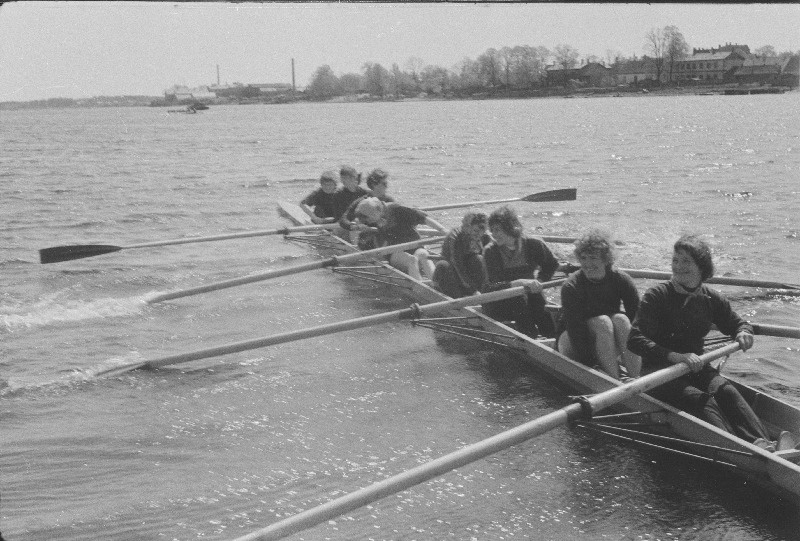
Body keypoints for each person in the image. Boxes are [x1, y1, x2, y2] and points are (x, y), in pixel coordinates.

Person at [627, 235, 794, 452]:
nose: (678, 266)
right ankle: (743, 450)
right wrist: (675, 356)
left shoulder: (710, 298)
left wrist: (743, 332)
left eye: (686, 261)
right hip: (658, 372)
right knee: (699, 399)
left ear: (701, 267)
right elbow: (634, 340)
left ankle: (766, 445)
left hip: (695, 367)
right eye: (675, 260)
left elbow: (738, 323)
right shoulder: (657, 295)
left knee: (726, 392)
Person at [556, 229, 641, 380]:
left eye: (593, 258)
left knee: (622, 320)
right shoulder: (571, 286)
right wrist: (590, 365)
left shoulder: (622, 280)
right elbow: (576, 333)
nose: (587, 264)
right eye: (583, 258)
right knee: (603, 322)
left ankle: (637, 378)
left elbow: (638, 321)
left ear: (606, 259)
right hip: (572, 341)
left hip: (603, 339)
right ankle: (613, 381)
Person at [481, 206, 559, 338]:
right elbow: (491, 286)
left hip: (526, 296)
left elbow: (551, 265)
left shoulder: (533, 244)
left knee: (538, 299)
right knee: (518, 301)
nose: (493, 235)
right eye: (492, 230)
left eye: (497, 230)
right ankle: (531, 339)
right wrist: (519, 283)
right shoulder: (490, 252)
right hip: (497, 301)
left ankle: (552, 338)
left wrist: (539, 281)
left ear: (510, 228)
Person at [351, 197, 438, 281]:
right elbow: (361, 242)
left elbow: (424, 219)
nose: (368, 221)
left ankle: (437, 285)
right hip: (394, 252)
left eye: (369, 218)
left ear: (374, 212)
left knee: (425, 255)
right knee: (412, 260)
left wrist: (443, 231)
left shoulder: (396, 209)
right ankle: (421, 289)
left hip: (414, 247)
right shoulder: (371, 222)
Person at [431, 211, 489, 298]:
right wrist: (472, 290)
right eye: (476, 231)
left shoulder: (483, 236)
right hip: (449, 274)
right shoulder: (454, 237)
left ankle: (481, 293)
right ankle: (457, 299)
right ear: (469, 227)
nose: (479, 235)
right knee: (443, 265)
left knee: (479, 259)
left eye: (482, 232)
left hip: (466, 275)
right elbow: (458, 266)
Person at [338, 168, 397, 235]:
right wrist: (353, 226)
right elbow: (343, 220)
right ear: (374, 184)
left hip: (384, 235)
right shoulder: (361, 201)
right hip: (367, 236)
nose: (387, 186)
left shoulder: (390, 200)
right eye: (384, 183)